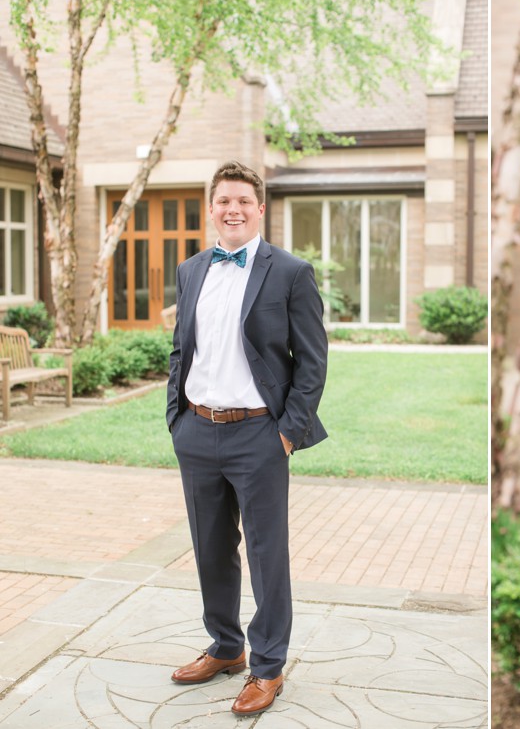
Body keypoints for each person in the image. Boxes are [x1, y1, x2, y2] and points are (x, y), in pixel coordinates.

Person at [166, 160, 328, 716]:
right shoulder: (190, 270)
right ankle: (226, 647)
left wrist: (287, 434)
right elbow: (180, 350)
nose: (232, 210)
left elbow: (312, 362)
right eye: (223, 201)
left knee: (265, 554)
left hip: (260, 433)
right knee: (211, 548)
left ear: (260, 208)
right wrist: (176, 418)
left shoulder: (289, 272)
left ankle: (267, 667)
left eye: (243, 201)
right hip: (196, 429)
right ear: (211, 209)